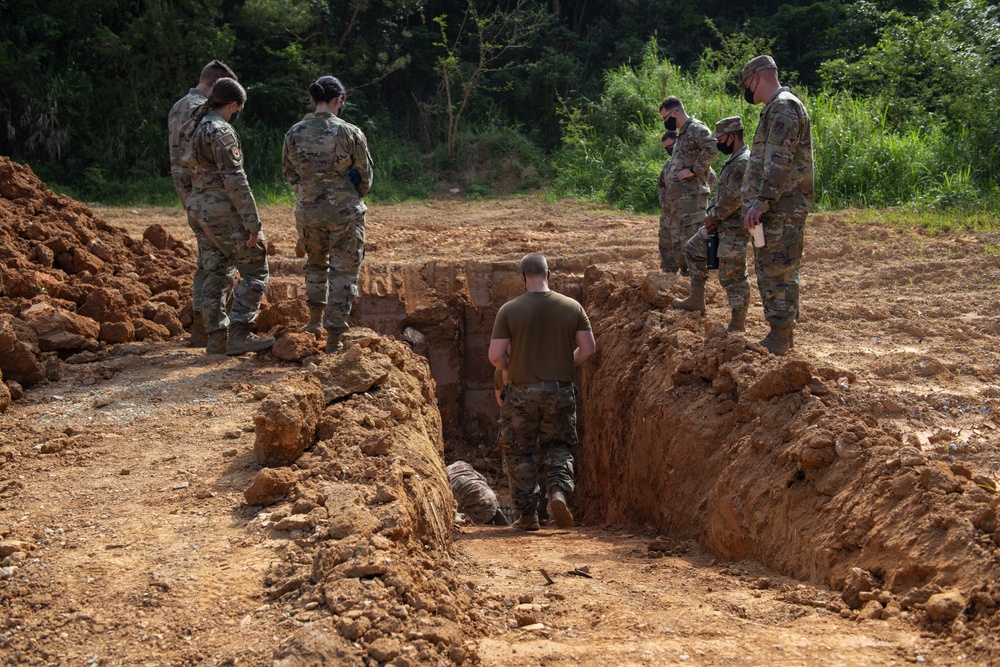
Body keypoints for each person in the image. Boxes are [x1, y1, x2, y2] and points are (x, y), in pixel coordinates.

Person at [488, 253, 596, 531]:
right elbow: (588, 350)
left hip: (522, 392)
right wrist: (560, 362)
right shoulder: (573, 307)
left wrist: (514, 364)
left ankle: (527, 517)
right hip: (559, 390)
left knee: (520, 452)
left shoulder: (509, 310)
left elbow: (496, 356)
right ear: (549, 274)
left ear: (523, 276)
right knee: (558, 447)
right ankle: (558, 493)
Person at [180, 77, 274, 356]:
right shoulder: (221, 130)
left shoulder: (195, 127)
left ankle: (216, 337)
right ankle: (240, 333)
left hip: (199, 209)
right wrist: (252, 222)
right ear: (233, 104)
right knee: (255, 269)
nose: (236, 113)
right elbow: (235, 179)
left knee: (215, 270)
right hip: (222, 211)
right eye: (238, 109)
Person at [282, 76, 374, 354]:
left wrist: (309, 193)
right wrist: (350, 193)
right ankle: (334, 337)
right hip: (344, 212)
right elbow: (366, 176)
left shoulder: (294, 132)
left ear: (313, 100)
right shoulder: (350, 132)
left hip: (308, 212)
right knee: (344, 271)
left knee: (315, 264)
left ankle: (313, 322)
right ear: (339, 100)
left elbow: (289, 173)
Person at [739, 56, 814, 355]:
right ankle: (779, 335)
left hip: (782, 207)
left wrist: (762, 201)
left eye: (747, 85)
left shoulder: (783, 107)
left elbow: (778, 162)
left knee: (780, 270)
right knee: (770, 268)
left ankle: (781, 337)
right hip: (774, 208)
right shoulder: (776, 108)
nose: (747, 92)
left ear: (757, 78)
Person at [168, 60, 239, 347]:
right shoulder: (205, 111)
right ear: (215, 86)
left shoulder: (177, 107)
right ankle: (217, 330)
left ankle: (201, 329)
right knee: (222, 263)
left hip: (190, 195)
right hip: (213, 197)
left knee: (206, 261)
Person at [674, 116, 752, 333]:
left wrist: (713, 216)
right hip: (719, 224)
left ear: (731, 136)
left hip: (734, 228)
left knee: (733, 276)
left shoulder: (743, 161)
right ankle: (696, 299)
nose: (718, 143)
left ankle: (738, 323)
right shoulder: (735, 159)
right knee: (693, 248)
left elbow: (733, 199)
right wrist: (713, 217)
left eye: (720, 138)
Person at [658, 97, 719, 279]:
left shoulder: (695, 128)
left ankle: (699, 283)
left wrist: (694, 169)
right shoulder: (683, 133)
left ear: (674, 113)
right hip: (680, 202)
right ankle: (689, 279)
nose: (665, 122)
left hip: (692, 201)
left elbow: (714, 146)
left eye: (665, 117)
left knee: (693, 239)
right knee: (680, 243)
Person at [447, 461, 509, 525]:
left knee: (453, 517)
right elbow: (484, 480)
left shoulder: (444, 482)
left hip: (478, 510)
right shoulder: (461, 464)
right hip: (491, 499)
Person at [657, 130, 680, 274]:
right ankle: (668, 274)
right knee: (666, 243)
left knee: (685, 244)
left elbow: (710, 179)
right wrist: (664, 201)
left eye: (671, 146)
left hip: (686, 213)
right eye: (666, 148)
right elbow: (661, 184)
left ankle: (687, 274)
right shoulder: (668, 165)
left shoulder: (693, 161)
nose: (669, 150)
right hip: (668, 214)